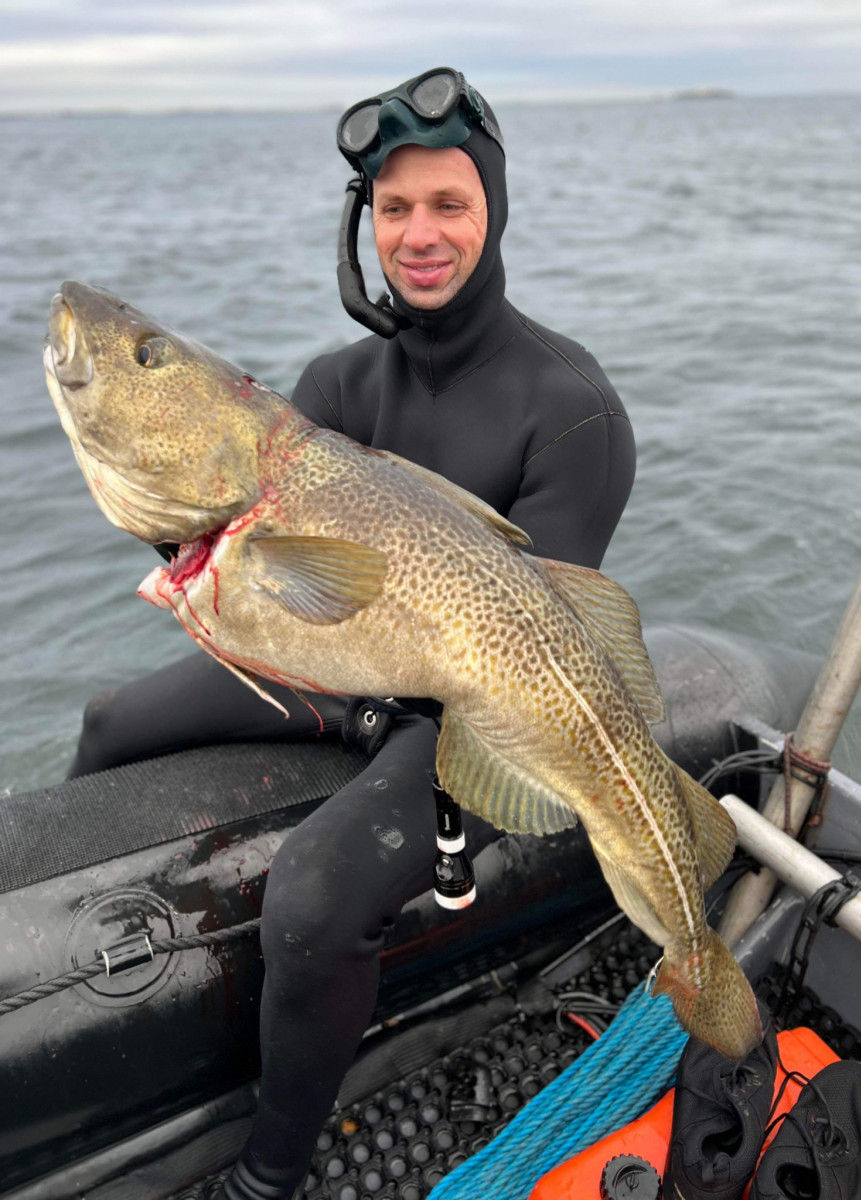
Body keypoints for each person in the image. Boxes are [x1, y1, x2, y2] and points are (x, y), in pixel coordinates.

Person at [68, 68, 635, 1200]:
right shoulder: (333, 382)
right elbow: (276, 579)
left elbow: (544, 646)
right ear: (364, 220)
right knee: (109, 723)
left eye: (450, 204)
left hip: (475, 710)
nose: (419, 235)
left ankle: (271, 1173)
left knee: (315, 898)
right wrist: (182, 538)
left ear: (494, 211)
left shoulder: (572, 408)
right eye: (394, 206)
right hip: (336, 677)